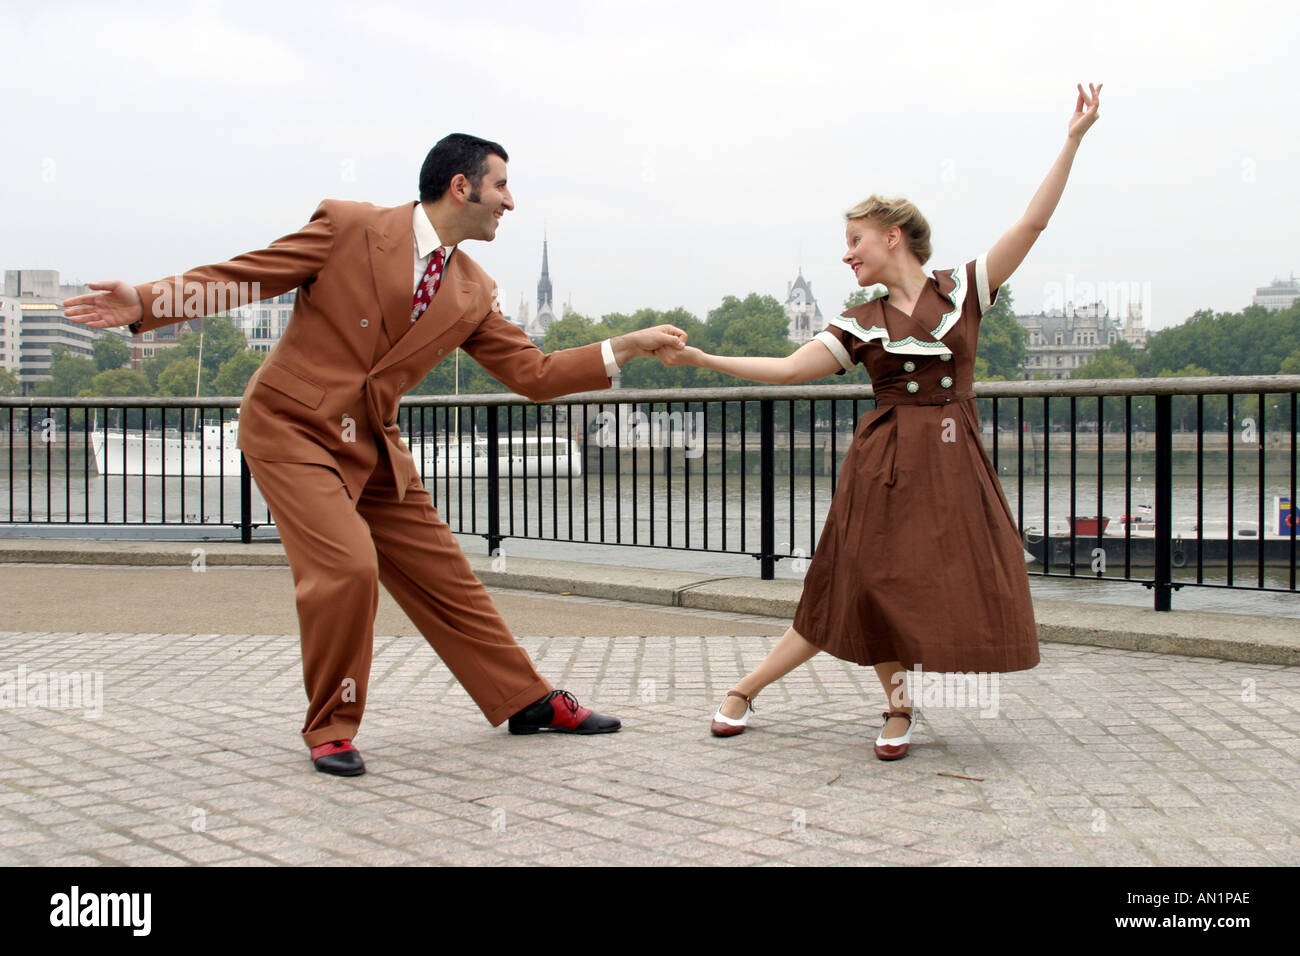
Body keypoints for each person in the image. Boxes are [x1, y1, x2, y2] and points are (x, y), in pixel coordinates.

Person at [64, 133, 687, 776]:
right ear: (461, 186)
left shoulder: (473, 288)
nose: (511, 202)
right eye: (502, 185)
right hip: (292, 426)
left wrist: (628, 346)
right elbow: (248, 275)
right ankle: (331, 726)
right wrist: (146, 303)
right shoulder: (349, 226)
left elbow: (533, 373)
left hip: (373, 443)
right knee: (349, 566)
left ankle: (524, 700)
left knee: (447, 574)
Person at [657, 84, 1102, 760]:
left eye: (855, 240)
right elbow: (786, 370)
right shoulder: (859, 320)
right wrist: (699, 359)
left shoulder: (964, 291)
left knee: (932, 583)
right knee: (860, 583)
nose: (848, 254)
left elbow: (1032, 225)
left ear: (892, 237)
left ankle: (890, 711)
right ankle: (779, 693)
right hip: (886, 464)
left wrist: (1071, 140)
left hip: (953, 460)